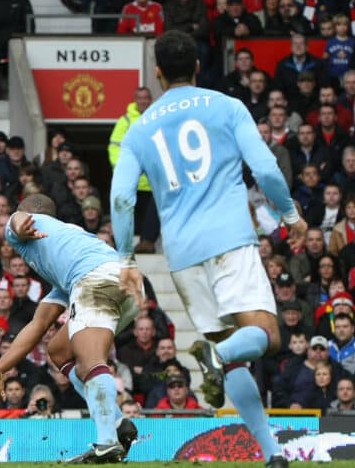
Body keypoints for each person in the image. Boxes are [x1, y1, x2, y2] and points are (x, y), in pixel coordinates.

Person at [110, 30, 307, 468]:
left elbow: (122, 198)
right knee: (267, 337)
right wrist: (291, 216)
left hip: (181, 256)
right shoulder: (227, 106)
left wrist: (126, 259)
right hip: (230, 240)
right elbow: (266, 167)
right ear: (197, 67)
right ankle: (218, 357)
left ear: (158, 74)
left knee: (233, 356)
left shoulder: (140, 129)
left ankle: (271, 453)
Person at [0, 194, 139, 464]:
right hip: (126, 286)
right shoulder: (67, 257)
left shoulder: (27, 227)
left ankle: (106, 443)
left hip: (96, 279)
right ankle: (115, 422)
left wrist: (20, 224)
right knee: (59, 350)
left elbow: (18, 220)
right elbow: (39, 325)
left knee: (90, 361)